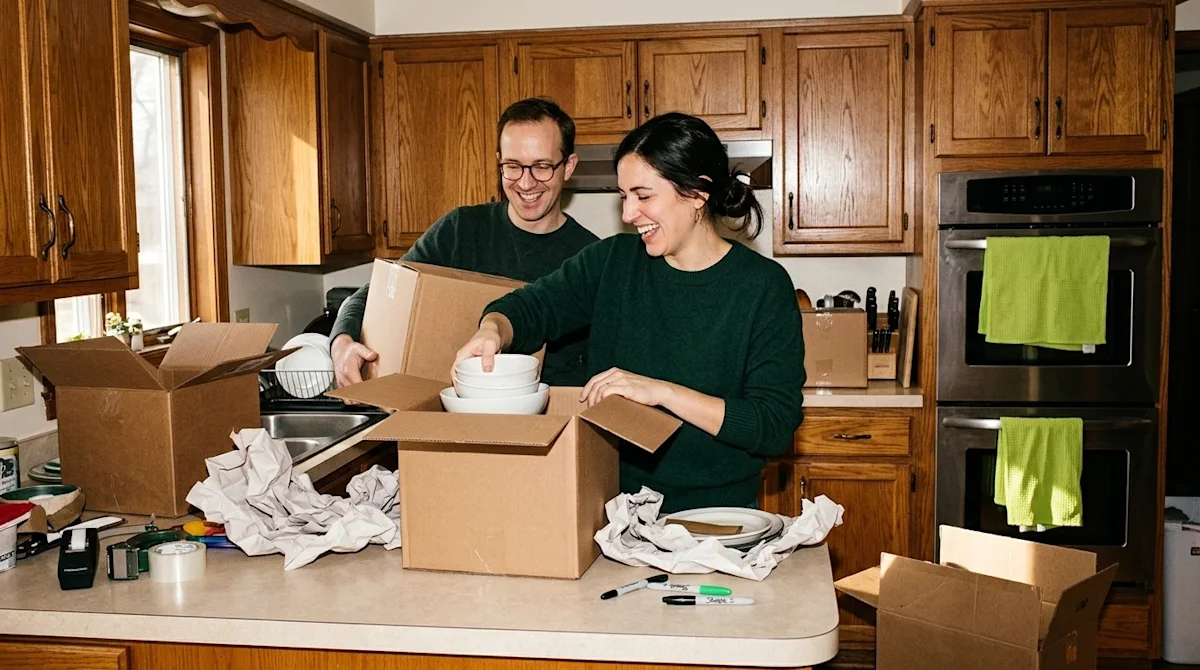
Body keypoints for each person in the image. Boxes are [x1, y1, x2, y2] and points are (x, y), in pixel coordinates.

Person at [453, 112, 805, 513]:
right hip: (613, 507)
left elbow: (773, 425)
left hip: (718, 519)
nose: (628, 214)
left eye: (644, 195)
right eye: (624, 196)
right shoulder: (613, 263)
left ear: (697, 193)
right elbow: (531, 306)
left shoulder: (762, 287)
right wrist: (493, 330)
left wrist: (661, 391)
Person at [329, 98, 599, 388]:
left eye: (542, 166)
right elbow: (382, 291)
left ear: (568, 166)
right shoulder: (461, 230)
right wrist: (341, 341)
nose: (525, 182)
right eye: (512, 166)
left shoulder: (590, 258)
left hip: (549, 424)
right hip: (452, 415)